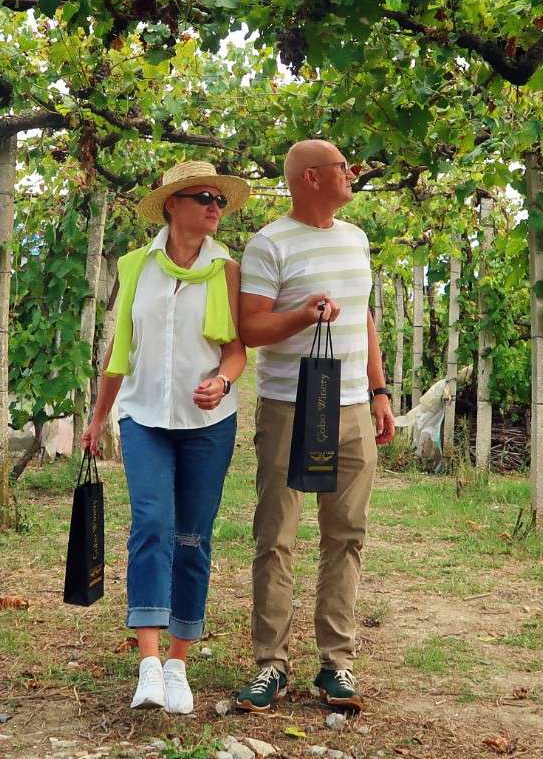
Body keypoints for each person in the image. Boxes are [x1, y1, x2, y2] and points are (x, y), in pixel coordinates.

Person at [82, 160, 252, 715]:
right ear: (172, 205)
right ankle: (149, 664)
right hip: (145, 417)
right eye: (204, 197)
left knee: (192, 537)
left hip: (208, 424)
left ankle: (179, 662)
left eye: (220, 200)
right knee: (152, 525)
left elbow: (236, 350)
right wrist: (97, 415)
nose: (214, 207)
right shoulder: (137, 267)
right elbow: (120, 349)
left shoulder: (227, 269)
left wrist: (222, 380)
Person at [233, 139, 394, 714]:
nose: (353, 173)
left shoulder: (356, 239)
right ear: (310, 179)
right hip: (288, 407)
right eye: (342, 168)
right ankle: (270, 666)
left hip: (350, 406)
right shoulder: (269, 243)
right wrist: (303, 314)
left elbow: (366, 317)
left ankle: (337, 665)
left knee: (346, 533)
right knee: (276, 535)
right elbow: (250, 329)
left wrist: (378, 390)